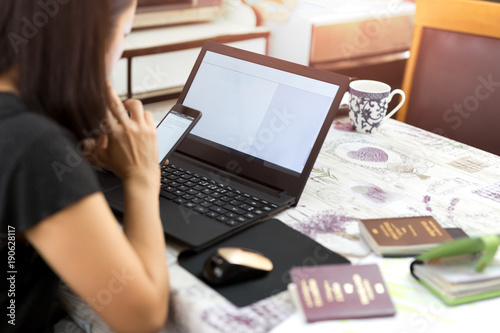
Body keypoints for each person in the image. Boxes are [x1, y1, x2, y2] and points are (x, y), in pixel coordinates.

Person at [0, 1, 169, 332]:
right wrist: (142, 176)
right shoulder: (34, 146)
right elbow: (143, 318)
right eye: (125, 32)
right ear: (88, 36)